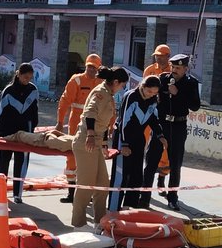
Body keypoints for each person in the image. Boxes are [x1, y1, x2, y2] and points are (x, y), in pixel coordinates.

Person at [69, 66, 128, 230]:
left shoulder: (108, 94)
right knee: (86, 184)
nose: (122, 89)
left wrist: (103, 145)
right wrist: (89, 136)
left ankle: (99, 221)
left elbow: (101, 125)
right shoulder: (101, 93)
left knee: (102, 183)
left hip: (95, 143)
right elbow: (90, 114)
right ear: (116, 82)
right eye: (122, 85)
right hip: (86, 142)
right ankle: (78, 223)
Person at [146, 54, 201, 211]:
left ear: (185, 68)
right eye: (173, 67)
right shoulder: (162, 79)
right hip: (161, 124)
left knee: (175, 164)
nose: (174, 70)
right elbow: (151, 97)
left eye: (178, 68)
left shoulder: (191, 83)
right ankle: (144, 195)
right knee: (151, 161)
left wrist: (178, 93)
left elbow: (195, 106)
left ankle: (172, 198)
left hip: (178, 125)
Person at [112, 76, 166, 210]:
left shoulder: (153, 100)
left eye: (154, 93)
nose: (151, 95)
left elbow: (153, 118)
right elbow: (124, 121)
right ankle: (113, 208)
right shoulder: (131, 96)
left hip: (139, 139)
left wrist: (160, 135)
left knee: (136, 175)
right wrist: (124, 144)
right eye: (149, 91)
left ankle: (129, 206)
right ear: (143, 86)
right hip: (123, 138)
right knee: (122, 175)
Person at [55, 53, 103, 204]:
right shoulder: (76, 80)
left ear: (98, 68)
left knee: (91, 157)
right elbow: (64, 101)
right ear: (85, 66)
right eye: (89, 67)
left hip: (95, 124)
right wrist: (59, 122)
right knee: (72, 155)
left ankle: (87, 193)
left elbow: (109, 106)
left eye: (94, 68)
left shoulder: (101, 83)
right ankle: (71, 192)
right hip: (76, 122)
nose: (91, 70)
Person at [0, 63, 38, 203]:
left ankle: (17, 194)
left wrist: (32, 130)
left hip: (25, 133)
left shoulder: (33, 90)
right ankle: (0, 191)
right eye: (25, 77)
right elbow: (0, 112)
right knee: (4, 161)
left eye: (30, 78)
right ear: (18, 74)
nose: (27, 80)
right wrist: (0, 130)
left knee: (21, 162)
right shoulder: (8, 91)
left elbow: (34, 112)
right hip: (8, 132)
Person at [143, 44, 173, 190]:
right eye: (157, 56)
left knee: (165, 147)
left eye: (162, 56)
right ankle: (144, 175)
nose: (159, 58)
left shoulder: (173, 71)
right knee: (143, 140)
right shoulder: (149, 70)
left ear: (168, 57)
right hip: (148, 111)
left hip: (164, 113)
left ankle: (162, 176)